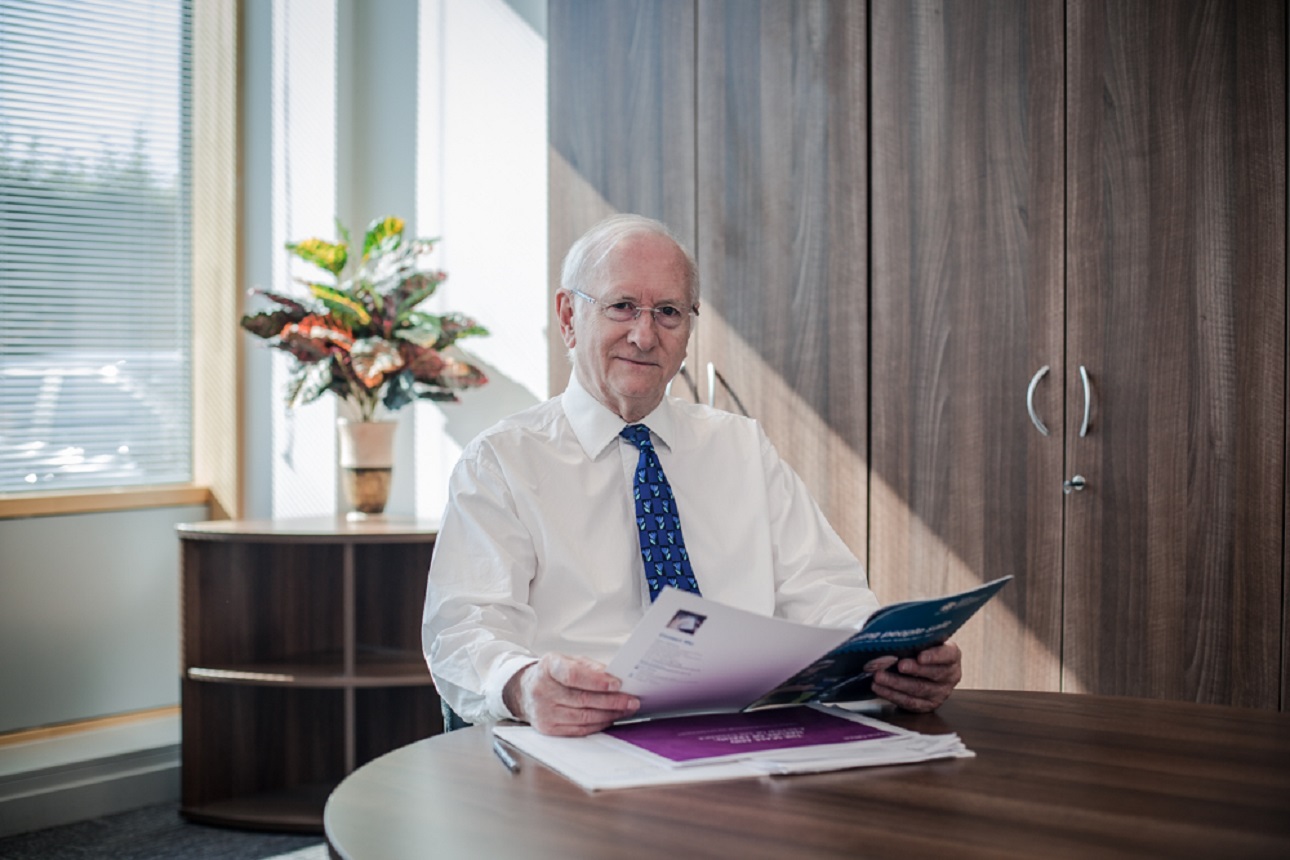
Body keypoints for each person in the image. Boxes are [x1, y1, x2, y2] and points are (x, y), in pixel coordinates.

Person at [422, 214, 962, 736]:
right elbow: (465, 629)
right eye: (622, 306)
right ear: (568, 317)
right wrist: (521, 685)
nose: (644, 335)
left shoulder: (742, 447)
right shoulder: (501, 462)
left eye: (668, 312)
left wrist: (889, 662)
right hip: (588, 740)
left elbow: (826, 594)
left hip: (746, 736)